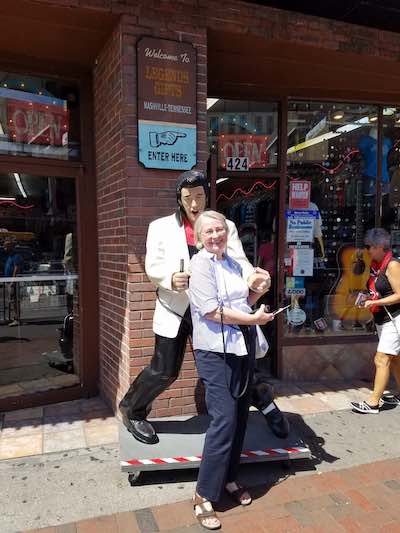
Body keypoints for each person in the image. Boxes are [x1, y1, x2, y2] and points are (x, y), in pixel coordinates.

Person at [119, 170, 289, 444]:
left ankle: (267, 406)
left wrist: (251, 278)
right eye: (188, 198)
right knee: (164, 369)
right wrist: (170, 278)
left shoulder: (224, 225)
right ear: (179, 199)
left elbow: (239, 259)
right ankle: (132, 410)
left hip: (217, 310)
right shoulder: (160, 227)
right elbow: (153, 265)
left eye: (199, 196)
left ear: (207, 196)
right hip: (177, 308)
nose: (195, 203)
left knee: (238, 364)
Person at [189, 210, 274, 530]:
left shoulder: (235, 263)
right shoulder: (200, 264)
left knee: (239, 416)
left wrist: (260, 292)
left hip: (241, 346)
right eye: (209, 231)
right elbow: (211, 311)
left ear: (227, 233)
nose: (215, 236)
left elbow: (243, 303)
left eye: (220, 230)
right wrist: (253, 320)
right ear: (199, 238)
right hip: (214, 351)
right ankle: (203, 493)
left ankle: (229, 478)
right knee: (223, 419)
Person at [351, 228, 400, 414]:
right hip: (383, 319)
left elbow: (399, 295)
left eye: (369, 247)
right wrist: (365, 297)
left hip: (395, 319)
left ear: (380, 246)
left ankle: (373, 403)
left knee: (382, 359)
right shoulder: (376, 265)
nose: (367, 250)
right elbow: (378, 289)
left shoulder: (392, 265)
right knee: (394, 360)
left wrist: (375, 302)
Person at [3, 238, 23, 327]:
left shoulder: (16, 256)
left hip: (12, 281)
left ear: (10, 246)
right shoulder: (9, 256)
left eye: (6, 246)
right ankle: (14, 317)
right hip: (8, 280)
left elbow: (16, 268)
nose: (4, 248)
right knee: (11, 300)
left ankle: (17, 319)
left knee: (15, 300)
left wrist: (13, 281)